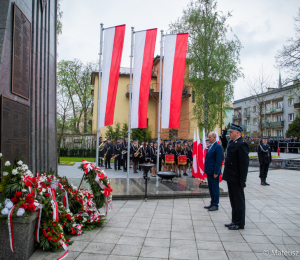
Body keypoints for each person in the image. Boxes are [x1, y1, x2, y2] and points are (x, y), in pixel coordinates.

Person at [223, 124, 249, 230]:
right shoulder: (231, 142)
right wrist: (223, 136)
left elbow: (244, 164)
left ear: (237, 133)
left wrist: (243, 180)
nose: (230, 134)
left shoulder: (242, 144)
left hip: (237, 177)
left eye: (231, 132)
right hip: (230, 176)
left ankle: (240, 223)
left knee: (239, 201)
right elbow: (226, 148)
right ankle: (234, 220)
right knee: (233, 200)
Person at [204, 132, 223, 211]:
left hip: (214, 172)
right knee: (211, 188)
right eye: (208, 137)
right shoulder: (211, 146)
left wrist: (216, 172)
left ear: (214, 137)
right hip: (209, 171)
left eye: (210, 137)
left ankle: (215, 204)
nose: (208, 139)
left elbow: (218, 160)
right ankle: (212, 202)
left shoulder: (218, 147)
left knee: (215, 188)